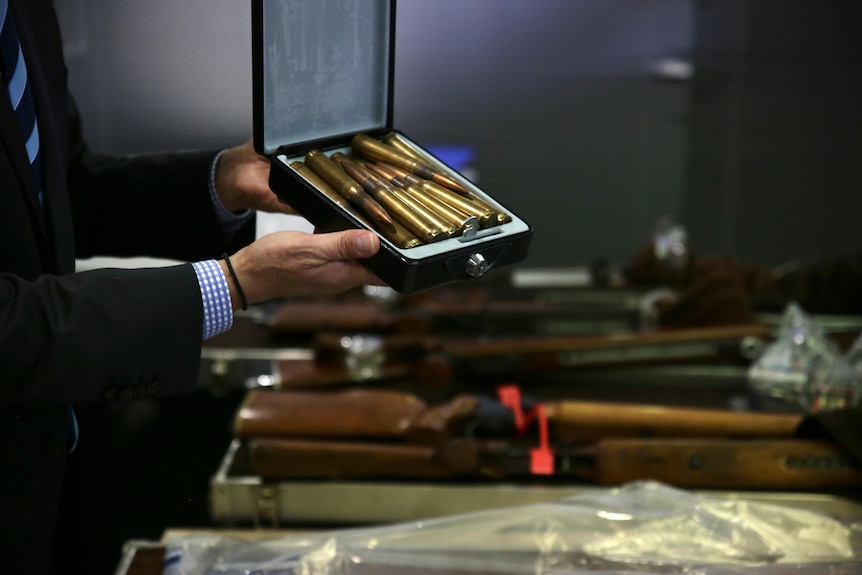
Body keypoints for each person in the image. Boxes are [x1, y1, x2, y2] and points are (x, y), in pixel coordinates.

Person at [0, 1, 384, 573]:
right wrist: (232, 286)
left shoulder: (24, 12)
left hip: (47, 481)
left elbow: (62, 194)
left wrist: (221, 181)